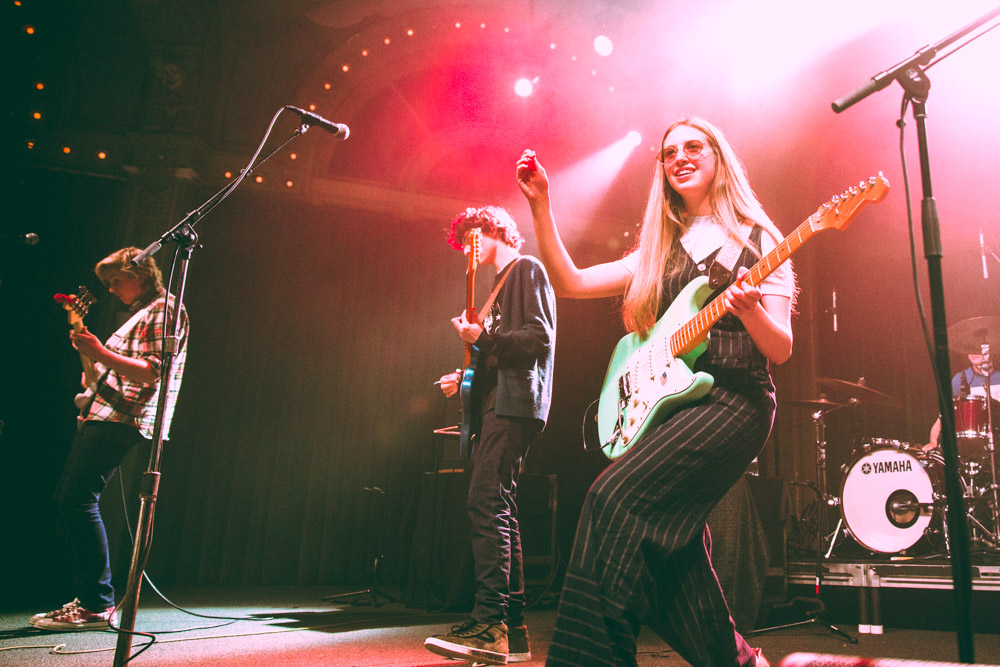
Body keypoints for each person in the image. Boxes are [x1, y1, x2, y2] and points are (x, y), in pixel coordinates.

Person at [515, 117, 795, 667]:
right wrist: (542, 207)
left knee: (609, 499)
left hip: (734, 401)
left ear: (720, 158)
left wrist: (751, 308)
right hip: (672, 409)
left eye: (694, 146)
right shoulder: (658, 250)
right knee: (676, 550)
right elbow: (570, 282)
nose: (680, 157)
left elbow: (780, 348)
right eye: (668, 153)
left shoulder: (759, 239)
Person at [30, 247, 189, 631]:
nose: (112, 289)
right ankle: (91, 600)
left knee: (76, 500)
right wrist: (92, 359)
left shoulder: (164, 310)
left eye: (115, 280)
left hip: (123, 416)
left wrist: (99, 350)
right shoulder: (141, 314)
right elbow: (105, 376)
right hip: (108, 411)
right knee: (72, 499)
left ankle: (96, 603)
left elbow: (152, 373)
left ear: (139, 273)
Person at [424, 206, 556, 665]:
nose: (468, 248)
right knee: (499, 505)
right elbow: (497, 348)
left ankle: (490, 622)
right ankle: (513, 632)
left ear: (492, 231)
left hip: (514, 404)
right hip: (495, 404)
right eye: (462, 242)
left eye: (470, 237)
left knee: (485, 503)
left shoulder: (526, 269)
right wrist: (462, 376)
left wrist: (483, 339)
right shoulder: (497, 288)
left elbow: (538, 338)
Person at [926, 352, 1000, 450]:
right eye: (969, 349)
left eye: (977, 348)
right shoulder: (960, 379)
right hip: (972, 446)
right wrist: (933, 440)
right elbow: (946, 411)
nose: (973, 353)